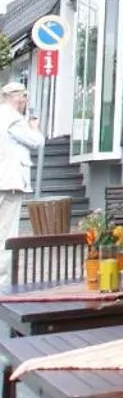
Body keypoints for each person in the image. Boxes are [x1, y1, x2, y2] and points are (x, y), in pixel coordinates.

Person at [0, 83, 44, 285]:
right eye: (24, 98)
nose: (25, 102)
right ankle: (3, 285)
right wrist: (34, 127)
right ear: (18, 98)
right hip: (8, 184)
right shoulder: (13, 119)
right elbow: (36, 141)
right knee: (6, 237)